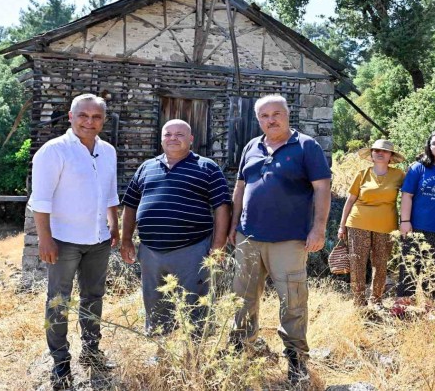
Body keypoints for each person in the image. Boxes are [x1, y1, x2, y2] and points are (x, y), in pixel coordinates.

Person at [228, 94, 331, 384]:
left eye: (276, 114)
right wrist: (234, 226)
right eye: (264, 116)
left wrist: (319, 228)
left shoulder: (306, 146)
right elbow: (240, 187)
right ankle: (240, 353)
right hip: (248, 237)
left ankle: (296, 361)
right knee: (243, 298)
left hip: (289, 239)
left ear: (287, 114)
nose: (271, 120)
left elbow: (322, 188)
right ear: (258, 119)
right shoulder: (252, 146)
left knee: (293, 301)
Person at [29, 94, 120, 390]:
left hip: (98, 240)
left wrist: (114, 226)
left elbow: (109, 196)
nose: (89, 122)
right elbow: (40, 201)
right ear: (70, 116)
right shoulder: (53, 151)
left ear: (103, 121)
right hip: (64, 241)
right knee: (59, 301)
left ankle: (92, 351)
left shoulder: (107, 151)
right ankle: (60, 361)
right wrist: (45, 239)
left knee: (94, 296)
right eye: (83, 115)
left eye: (96, 117)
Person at [120, 119, 231, 335]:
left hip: (193, 249)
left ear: (191, 139)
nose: (173, 138)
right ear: (161, 139)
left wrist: (218, 245)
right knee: (156, 305)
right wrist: (126, 240)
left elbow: (222, 207)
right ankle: (160, 353)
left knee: (197, 306)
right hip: (150, 252)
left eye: (179, 135)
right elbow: (130, 205)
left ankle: (197, 355)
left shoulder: (207, 167)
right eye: (168, 134)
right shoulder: (146, 167)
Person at [394, 131, 435, 309]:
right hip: (416, 226)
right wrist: (405, 221)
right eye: (434, 143)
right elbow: (407, 195)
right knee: (408, 266)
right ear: (428, 147)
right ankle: (402, 306)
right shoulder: (419, 168)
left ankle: (429, 307)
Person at [337, 139, 405, 308]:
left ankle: (377, 299)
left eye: (385, 151)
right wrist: (342, 225)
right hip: (358, 223)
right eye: (376, 150)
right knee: (357, 262)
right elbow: (350, 200)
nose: (380, 153)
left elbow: (409, 196)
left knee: (381, 263)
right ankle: (359, 301)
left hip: (386, 226)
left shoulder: (399, 175)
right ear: (372, 155)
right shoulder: (362, 174)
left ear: (391, 156)